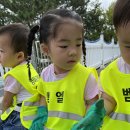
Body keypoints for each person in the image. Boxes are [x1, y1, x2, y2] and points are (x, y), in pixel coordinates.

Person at [31, 8, 105, 130]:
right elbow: (43, 95)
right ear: (45, 49)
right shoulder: (45, 74)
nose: (73, 52)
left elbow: (92, 104)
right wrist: (41, 114)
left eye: (78, 44)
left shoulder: (85, 76)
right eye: (64, 46)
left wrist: (87, 123)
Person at [0, 23, 47, 130]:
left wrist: (3, 116)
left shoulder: (13, 75)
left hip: (21, 118)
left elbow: (6, 102)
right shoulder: (29, 67)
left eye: (1, 51)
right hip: (36, 113)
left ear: (19, 56)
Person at [100, 0, 130, 130]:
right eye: (129, 46)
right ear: (117, 35)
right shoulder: (110, 73)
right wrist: (96, 114)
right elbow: (109, 100)